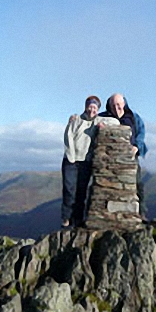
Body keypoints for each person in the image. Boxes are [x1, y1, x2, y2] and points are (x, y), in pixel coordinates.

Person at [62, 96, 118, 228]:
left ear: (98, 109)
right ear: (86, 107)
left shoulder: (98, 119)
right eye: (90, 106)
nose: (92, 110)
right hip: (71, 161)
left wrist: (104, 125)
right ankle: (66, 218)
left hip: (85, 162)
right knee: (69, 190)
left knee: (81, 192)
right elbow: (68, 136)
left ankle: (78, 220)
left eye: (95, 107)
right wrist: (71, 156)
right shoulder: (76, 120)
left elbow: (116, 122)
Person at [99, 93, 148, 217]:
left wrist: (137, 146)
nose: (116, 108)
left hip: (131, 158)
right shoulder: (103, 118)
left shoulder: (133, 117)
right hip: (109, 160)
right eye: (113, 105)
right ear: (109, 106)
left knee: (137, 185)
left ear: (124, 104)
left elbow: (141, 133)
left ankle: (141, 214)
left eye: (119, 104)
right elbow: (89, 121)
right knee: (104, 187)